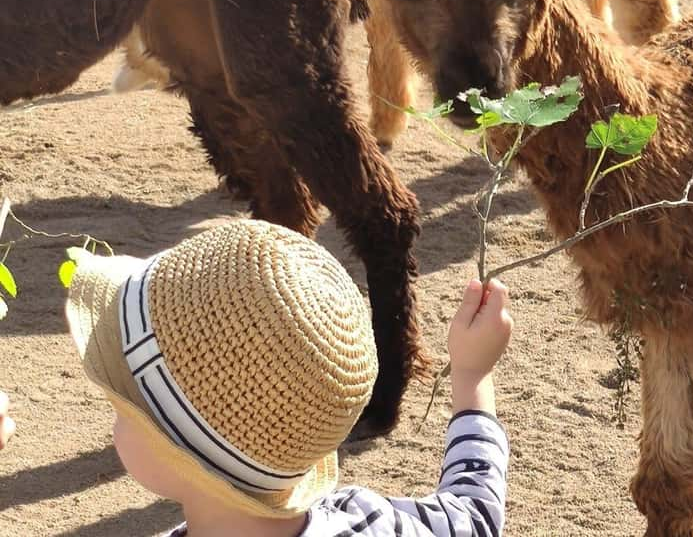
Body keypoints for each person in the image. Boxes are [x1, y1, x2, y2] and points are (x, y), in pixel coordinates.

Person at [59, 219, 512, 537]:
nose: (113, 415)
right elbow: (474, 515)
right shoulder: (370, 520)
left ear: (174, 448)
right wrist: (472, 376)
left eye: (122, 403)